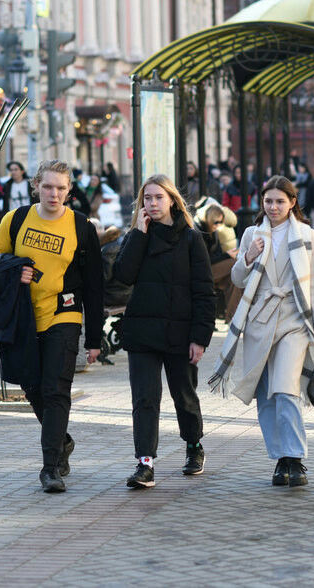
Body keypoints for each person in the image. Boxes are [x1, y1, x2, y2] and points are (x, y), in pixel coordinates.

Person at [207, 175, 314, 488]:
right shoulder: (252, 233)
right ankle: (280, 459)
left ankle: (295, 458)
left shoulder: (307, 235)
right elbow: (237, 279)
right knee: (264, 394)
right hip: (259, 322)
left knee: (286, 388)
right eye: (268, 201)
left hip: (294, 320)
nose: (274, 207)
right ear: (262, 203)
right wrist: (248, 256)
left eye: (280, 201)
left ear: (292, 202)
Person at [0, 160, 104, 493]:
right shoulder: (17, 219)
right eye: (49, 187)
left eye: (62, 188)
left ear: (69, 191)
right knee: (33, 388)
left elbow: (95, 286)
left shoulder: (81, 227)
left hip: (63, 314)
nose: (55, 194)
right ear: (36, 185)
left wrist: (94, 338)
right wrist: (14, 270)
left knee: (55, 390)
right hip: (24, 318)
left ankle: (50, 467)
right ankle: (62, 440)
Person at [113, 175, 215, 489]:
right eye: (147, 198)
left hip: (180, 332)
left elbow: (204, 291)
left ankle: (194, 444)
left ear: (171, 199)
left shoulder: (190, 238)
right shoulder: (137, 235)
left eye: (158, 197)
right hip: (143, 331)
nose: (153, 204)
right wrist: (139, 235)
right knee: (145, 398)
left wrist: (200, 337)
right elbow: (122, 276)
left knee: (183, 395)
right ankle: (145, 463)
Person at [196, 204, 242, 321]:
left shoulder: (214, 232)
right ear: (210, 219)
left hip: (212, 270)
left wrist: (226, 255)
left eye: (221, 222)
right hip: (200, 271)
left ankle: (233, 319)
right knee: (234, 264)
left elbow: (217, 254)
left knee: (234, 280)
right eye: (216, 222)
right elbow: (203, 260)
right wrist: (227, 255)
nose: (219, 225)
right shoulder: (197, 231)